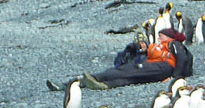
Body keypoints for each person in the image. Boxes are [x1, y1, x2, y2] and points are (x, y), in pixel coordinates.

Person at [65, 27, 193, 91]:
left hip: (163, 67)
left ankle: (96, 77)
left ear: (168, 36)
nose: (159, 36)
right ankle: (103, 84)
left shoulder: (174, 44)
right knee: (133, 77)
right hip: (155, 66)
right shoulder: (160, 46)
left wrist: (175, 78)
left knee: (129, 70)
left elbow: (182, 58)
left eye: (161, 34)